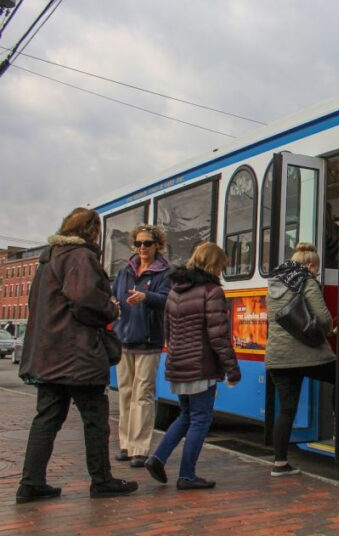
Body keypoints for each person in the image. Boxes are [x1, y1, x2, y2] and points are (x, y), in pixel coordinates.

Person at [17, 207, 138, 503]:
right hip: (78, 354)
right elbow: (84, 298)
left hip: (48, 355)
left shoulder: (49, 259)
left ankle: (31, 482)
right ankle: (101, 479)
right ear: (91, 230)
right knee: (95, 419)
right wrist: (111, 308)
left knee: (46, 418)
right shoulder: (81, 257)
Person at [144, 242, 241, 490]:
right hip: (201, 365)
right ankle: (187, 475)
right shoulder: (211, 291)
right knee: (200, 419)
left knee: (186, 415)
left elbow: (169, 330)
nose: (221, 271)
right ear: (213, 265)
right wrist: (232, 368)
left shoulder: (175, 291)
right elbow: (218, 336)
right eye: (221, 266)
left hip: (178, 363)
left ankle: (157, 458)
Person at [266, 242, 335, 477]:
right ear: (310, 265)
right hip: (307, 355)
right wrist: (327, 329)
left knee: (286, 410)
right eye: (316, 268)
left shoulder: (274, 282)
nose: (316, 273)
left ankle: (279, 463)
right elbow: (324, 319)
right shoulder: (306, 279)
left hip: (277, 357)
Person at [111, 224, 171, 468]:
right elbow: (113, 293)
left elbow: (168, 300)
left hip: (149, 341)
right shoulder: (125, 270)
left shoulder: (165, 272)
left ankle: (139, 448)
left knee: (143, 395)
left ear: (157, 244)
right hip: (124, 338)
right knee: (125, 393)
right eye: (138, 243)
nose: (142, 248)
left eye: (147, 243)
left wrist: (146, 297)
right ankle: (125, 444)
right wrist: (113, 301)